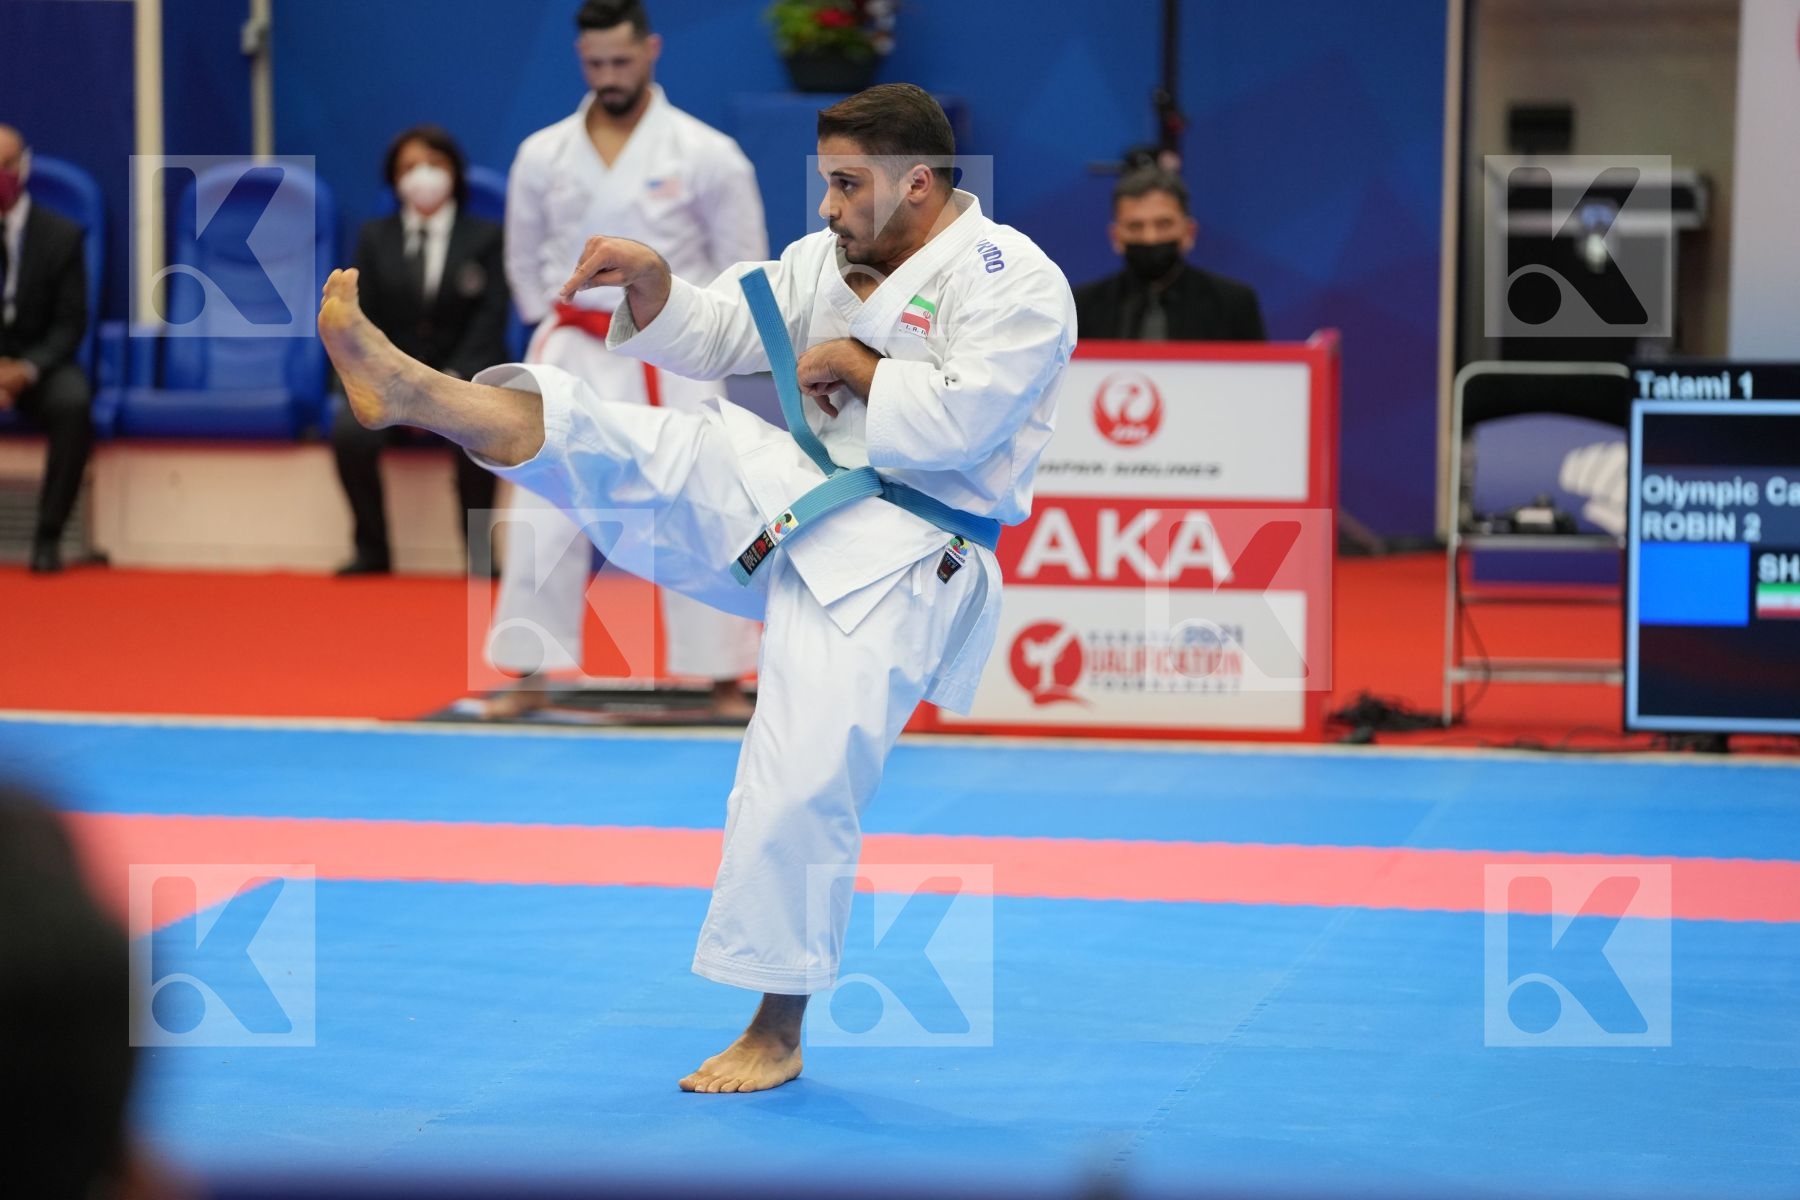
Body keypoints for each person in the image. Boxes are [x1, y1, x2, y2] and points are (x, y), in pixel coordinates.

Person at [317, 83, 1076, 1093]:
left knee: (800, 777)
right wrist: (655, 289)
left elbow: (963, 423)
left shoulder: (1015, 283)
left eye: (848, 186)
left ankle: (778, 1026)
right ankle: (421, 394)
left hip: (908, 555)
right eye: (826, 184)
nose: (828, 207)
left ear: (919, 185)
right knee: (629, 446)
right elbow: (732, 331)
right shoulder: (827, 261)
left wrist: (859, 361)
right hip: (802, 495)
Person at [488, 0, 766, 717]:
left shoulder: (707, 153)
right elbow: (521, 267)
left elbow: (745, 267)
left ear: (652, 51)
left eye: (621, 60)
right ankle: (530, 671)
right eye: (595, 64)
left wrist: (707, 338)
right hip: (572, 348)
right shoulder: (542, 154)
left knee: (704, 502)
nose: (609, 75)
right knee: (542, 507)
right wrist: (561, 325)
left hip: (673, 352)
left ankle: (721, 675)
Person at [331, 125, 507, 576]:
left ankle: (481, 559)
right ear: (394, 180)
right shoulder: (374, 238)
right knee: (349, 433)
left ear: (455, 173)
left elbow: (489, 323)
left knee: (481, 429)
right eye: (409, 167)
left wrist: (443, 385)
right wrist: (394, 384)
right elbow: (361, 319)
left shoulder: (486, 237)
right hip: (389, 381)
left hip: (462, 377)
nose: (422, 176)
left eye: (434, 164)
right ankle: (372, 551)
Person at [0, 124, 92, 574]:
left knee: (74, 402)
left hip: (38, 365)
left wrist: (25, 369)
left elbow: (70, 324)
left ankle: (48, 536)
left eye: (5, 166)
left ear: (24, 166)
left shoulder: (62, 236)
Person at [1073, 166, 1266, 342]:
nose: (1150, 238)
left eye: (1163, 224)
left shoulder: (1233, 304)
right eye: (1135, 226)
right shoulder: (1082, 307)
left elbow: (1257, 377)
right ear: (1116, 237)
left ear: (1189, 232)